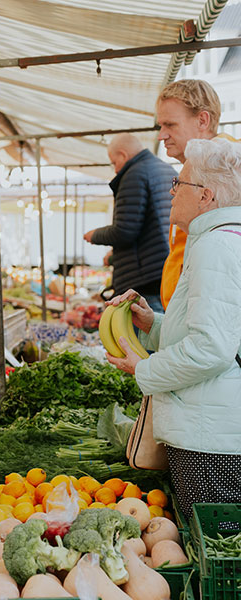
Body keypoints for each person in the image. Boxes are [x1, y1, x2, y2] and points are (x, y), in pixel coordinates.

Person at [106, 138, 241, 519]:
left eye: (179, 184)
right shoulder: (220, 241)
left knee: (213, 544)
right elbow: (214, 331)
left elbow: (211, 348)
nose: (171, 192)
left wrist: (143, 368)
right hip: (213, 429)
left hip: (210, 438)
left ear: (206, 196)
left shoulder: (215, 247)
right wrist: (152, 324)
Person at [83, 133, 174, 312]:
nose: (115, 169)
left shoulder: (134, 174)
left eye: (114, 162)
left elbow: (125, 230)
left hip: (143, 279)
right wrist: (115, 256)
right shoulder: (166, 170)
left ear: (123, 155)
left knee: (142, 337)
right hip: (164, 269)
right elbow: (148, 230)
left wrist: (95, 235)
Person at [156, 79, 221, 309]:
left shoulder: (226, 171)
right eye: (160, 126)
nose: (161, 135)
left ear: (202, 120)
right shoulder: (195, 170)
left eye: (170, 125)